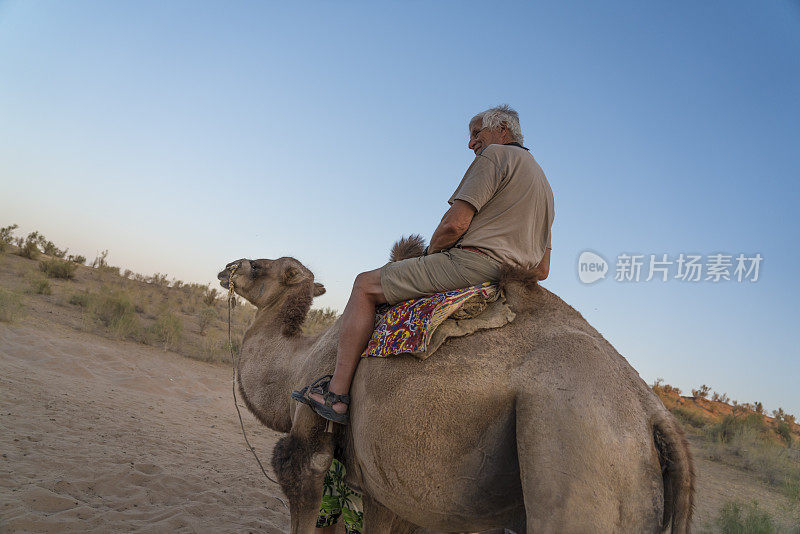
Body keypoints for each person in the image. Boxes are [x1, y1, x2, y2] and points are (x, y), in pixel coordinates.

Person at [293, 105, 554, 424]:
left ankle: (336, 394)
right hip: (515, 280)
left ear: (502, 129)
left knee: (364, 285)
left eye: (476, 133)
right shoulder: (546, 189)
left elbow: (453, 226)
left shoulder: (496, 156)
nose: (471, 144)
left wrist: (434, 253)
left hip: (473, 265)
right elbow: (542, 270)